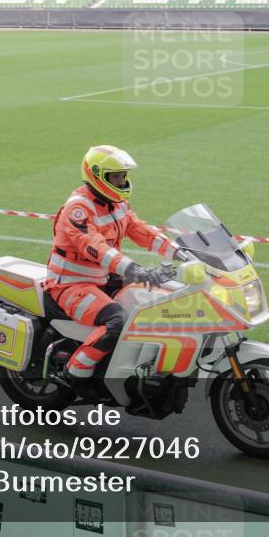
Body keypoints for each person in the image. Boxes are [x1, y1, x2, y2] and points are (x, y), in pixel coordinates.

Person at [45, 145, 180, 380]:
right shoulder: (78, 208)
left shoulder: (117, 204)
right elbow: (96, 247)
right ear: (97, 176)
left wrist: (181, 253)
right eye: (116, 177)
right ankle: (75, 371)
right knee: (116, 321)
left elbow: (143, 232)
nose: (121, 182)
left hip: (103, 278)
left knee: (154, 303)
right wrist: (132, 269)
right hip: (70, 284)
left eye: (123, 176)